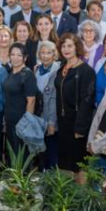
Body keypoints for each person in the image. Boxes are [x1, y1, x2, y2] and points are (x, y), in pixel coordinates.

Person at [54, 34, 96, 181]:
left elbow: (87, 101)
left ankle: (81, 197)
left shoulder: (86, 71)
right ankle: (67, 197)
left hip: (77, 125)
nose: (66, 49)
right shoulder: (61, 68)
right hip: (63, 123)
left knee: (80, 163)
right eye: (63, 46)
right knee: (65, 162)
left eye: (70, 46)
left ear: (77, 47)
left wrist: (80, 128)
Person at [2, 43, 39, 156]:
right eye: (12, 54)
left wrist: (26, 122)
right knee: (11, 151)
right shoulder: (10, 73)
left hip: (21, 121)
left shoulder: (28, 75)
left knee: (20, 153)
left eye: (19, 55)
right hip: (10, 119)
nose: (15, 58)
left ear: (25, 57)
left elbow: (31, 100)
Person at [35, 41, 60, 170]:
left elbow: (54, 99)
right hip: (39, 117)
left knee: (51, 152)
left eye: (49, 53)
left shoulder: (58, 70)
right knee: (41, 152)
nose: (45, 56)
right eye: (43, 53)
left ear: (54, 54)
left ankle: (51, 184)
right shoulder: (37, 69)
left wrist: (52, 122)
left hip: (51, 118)